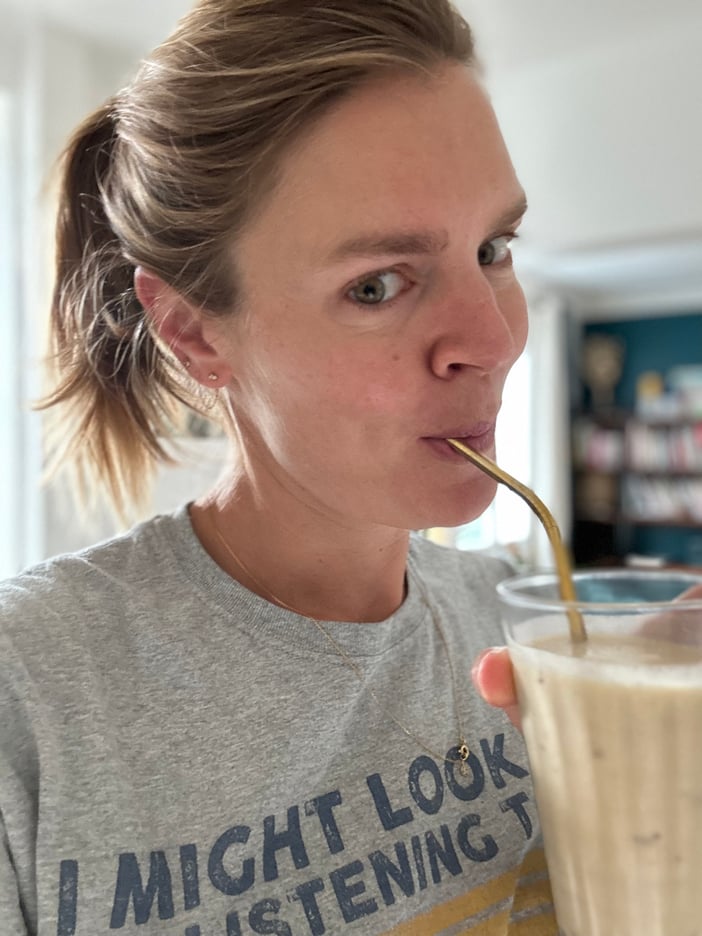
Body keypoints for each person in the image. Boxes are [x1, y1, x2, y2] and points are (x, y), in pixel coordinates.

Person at [0, 1, 556, 933]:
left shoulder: (524, 624)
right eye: (376, 285)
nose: (494, 340)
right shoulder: (31, 699)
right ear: (193, 332)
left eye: (492, 250)